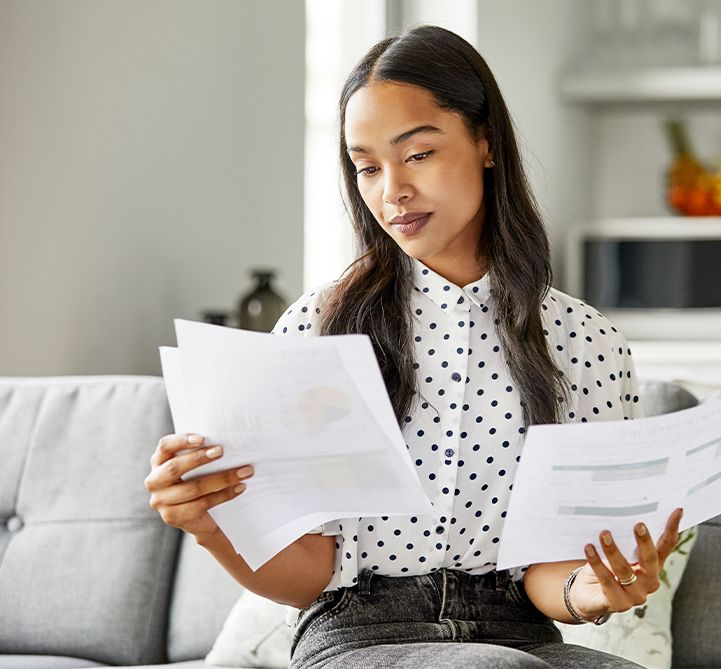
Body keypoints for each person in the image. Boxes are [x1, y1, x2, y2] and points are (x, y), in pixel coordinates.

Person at [145, 25, 684, 669]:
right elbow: (310, 573)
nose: (390, 190)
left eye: (418, 154)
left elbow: (548, 573)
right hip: (358, 633)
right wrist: (208, 527)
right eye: (367, 166)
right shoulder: (319, 326)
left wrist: (591, 589)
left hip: (518, 635)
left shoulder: (584, 340)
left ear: (486, 144)